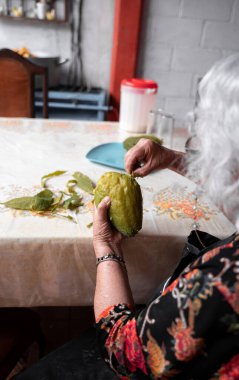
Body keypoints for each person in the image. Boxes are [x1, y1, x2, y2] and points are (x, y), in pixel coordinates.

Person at [15, 55, 239, 379]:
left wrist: (106, 246)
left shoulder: (225, 282)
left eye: (212, 149)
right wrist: (175, 159)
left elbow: (121, 349)